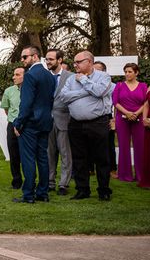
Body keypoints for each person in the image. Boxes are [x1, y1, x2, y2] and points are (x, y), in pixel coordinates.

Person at [59, 51, 113, 201]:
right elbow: (63, 97)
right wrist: (85, 92)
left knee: (102, 158)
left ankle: (104, 190)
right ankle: (82, 190)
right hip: (75, 124)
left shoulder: (103, 77)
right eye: (74, 62)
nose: (75, 64)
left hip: (98, 123)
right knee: (79, 158)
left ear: (89, 62)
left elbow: (100, 91)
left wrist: (83, 80)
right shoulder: (70, 79)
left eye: (78, 62)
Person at [12, 46, 55, 203]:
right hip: (45, 121)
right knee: (42, 158)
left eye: (25, 57)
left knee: (28, 158)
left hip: (31, 123)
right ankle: (43, 193)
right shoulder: (49, 76)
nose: (22, 60)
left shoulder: (30, 75)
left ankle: (28, 194)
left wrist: (18, 123)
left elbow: (26, 103)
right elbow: (50, 100)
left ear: (35, 57)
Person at [112, 63, 148, 182]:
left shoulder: (143, 86)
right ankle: (124, 175)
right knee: (123, 147)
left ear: (136, 73)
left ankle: (141, 175)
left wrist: (136, 113)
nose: (127, 74)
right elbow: (115, 102)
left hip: (139, 119)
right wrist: (127, 113)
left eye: (130, 72)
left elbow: (146, 103)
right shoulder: (119, 85)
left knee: (140, 147)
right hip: (122, 119)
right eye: (126, 72)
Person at [45, 49, 73, 196]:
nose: (48, 62)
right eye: (46, 59)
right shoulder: (44, 77)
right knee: (49, 153)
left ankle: (64, 184)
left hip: (64, 120)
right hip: (47, 121)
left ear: (60, 60)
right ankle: (50, 182)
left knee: (65, 153)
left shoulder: (71, 77)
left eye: (51, 59)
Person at [1, 66, 25, 189]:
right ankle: (16, 181)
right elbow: (6, 108)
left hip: (26, 126)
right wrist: (13, 120)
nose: (13, 77)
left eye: (17, 75)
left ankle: (29, 180)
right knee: (13, 154)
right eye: (14, 74)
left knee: (27, 154)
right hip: (12, 125)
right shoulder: (9, 91)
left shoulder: (31, 90)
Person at [94, 61, 118, 178]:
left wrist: (113, 119)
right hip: (93, 116)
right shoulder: (89, 84)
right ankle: (90, 168)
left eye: (98, 69)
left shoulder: (114, 86)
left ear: (104, 72)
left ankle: (112, 169)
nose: (95, 72)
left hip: (108, 116)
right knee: (90, 144)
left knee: (109, 144)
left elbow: (116, 104)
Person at [139, 86, 150, 189]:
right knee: (149, 153)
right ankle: (148, 180)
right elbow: (146, 104)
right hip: (149, 126)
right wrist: (144, 119)